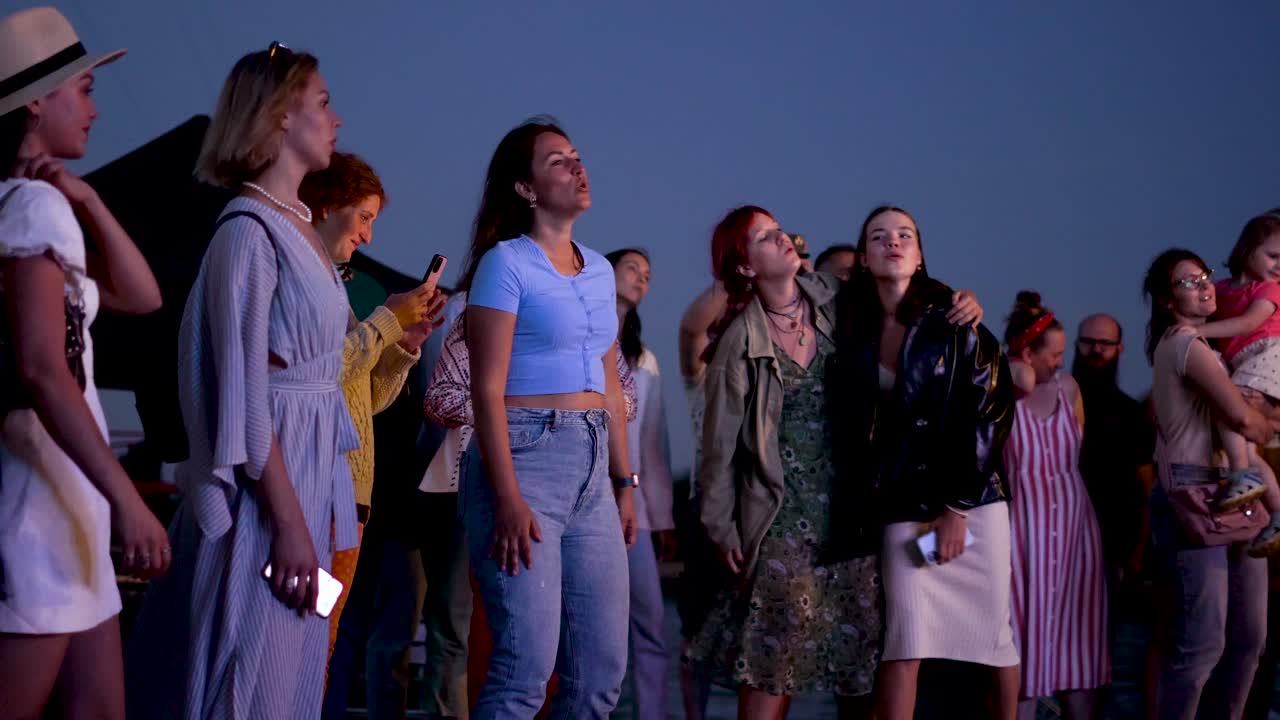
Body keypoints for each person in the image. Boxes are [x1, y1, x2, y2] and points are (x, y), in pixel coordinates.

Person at [126, 42, 353, 720]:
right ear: (282, 115)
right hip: (274, 485)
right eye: (322, 102)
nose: (336, 118)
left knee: (292, 671)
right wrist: (287, 523)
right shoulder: (249, 234)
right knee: (251, 670)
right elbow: (246, 391)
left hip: (306, 475)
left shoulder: (302, 228)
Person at [690, 205, 946, 719]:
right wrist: (721, 528)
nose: (782, 238)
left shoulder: (841, 301)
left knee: (860, 669)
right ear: (744, 266)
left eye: (779, 229)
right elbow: (717, 450)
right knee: (770, 668)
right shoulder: (739, 343)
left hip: (854, 517)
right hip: (782, 518)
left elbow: (908, 291)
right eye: (764, 237)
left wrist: (960, 301)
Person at [0, 8, 169, 718]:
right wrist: (128, 499)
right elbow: (44, 369)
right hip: (43, 501)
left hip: (62, 494)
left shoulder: (31, 204)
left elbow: (141, 294)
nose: (96, 110)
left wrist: (91, 198)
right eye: (86, 89)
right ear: (37, 100)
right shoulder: (32, 208)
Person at [460, 117, 637, 719]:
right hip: (526, 455)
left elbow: (609, 381)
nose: (576, 167)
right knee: (523, 671)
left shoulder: (599, 270)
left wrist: (625, 480)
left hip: (594, 471)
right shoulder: (505, 263)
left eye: (577, 156)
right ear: (526, 189)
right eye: (557, 160)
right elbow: (485, 390)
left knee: (599, 676)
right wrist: (508, 497)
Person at [831, 205, 1020, 720]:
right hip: (902, 505)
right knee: (905, 638)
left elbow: (991, 413)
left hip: (973, 503)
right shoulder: (850, 328)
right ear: (864, 258)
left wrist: (956, 510)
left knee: (993, 636)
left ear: (920, 256)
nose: (893, 242)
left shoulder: (956, 321)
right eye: (878, 236)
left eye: (905, 235)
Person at [298, 150, 443, 659]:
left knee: (325, 636)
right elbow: (314, 376)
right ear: (325, 204)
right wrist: (384, 319)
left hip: (351, 496)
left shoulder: (336, 284)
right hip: (314, 493)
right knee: (307, 637)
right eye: (364, 217)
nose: (368, 235)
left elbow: (365, 401)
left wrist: (404, 345)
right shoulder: (304, 280)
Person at [1143, 248, 1274, 719]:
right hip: (1194, 496)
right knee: (1201, 644)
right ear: (1165, 300)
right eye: (1187, 282)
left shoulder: (1212, 348)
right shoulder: (1184, 345)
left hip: (1235, 491)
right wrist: (1264, 421)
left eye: (1205, 277)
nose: (1203, 286)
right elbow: (1245, 419)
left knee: (1249, 639)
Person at [1004, 292, 1109, 720]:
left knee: (1078, 637)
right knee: (1020, 637)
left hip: (1073, 526)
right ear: (1027, 352)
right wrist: (1016, 370)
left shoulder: (1068, 389)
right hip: (1022, 528)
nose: (1060, 363)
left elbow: (1075, 444)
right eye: (1053, 354)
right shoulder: (1005, 389)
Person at [606, 247, 675, 720]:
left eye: (648, 274)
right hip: (584, 500)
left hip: (638, 515)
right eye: (632, 267)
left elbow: (654, 443)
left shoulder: (644, 359)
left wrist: (663, 515)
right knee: (590, 626)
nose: (641, 277)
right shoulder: (580, 336)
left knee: (650, 624)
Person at [1194, 212, 1280, 555]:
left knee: (1227, 408)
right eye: (1273, 256)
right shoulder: (1223, 289)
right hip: (1245, 361)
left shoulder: (1269, 289)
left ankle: (1241, 475)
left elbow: (1248, 324)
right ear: (1247, 250)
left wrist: (1196, 333)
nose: (1279, 265)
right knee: (1242, 446)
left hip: (1268, 354)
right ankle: (1276, 510)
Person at [1072, 313, 1156, 595]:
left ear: (1119, 348)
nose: (1096, 350)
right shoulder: (1052, 402)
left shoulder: (1132, 414)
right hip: (1054, 538)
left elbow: (1146, 487)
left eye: (1105, 344)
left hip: (1112, 545)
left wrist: (1137, 553)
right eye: (1089, 342)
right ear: (1076, 344)